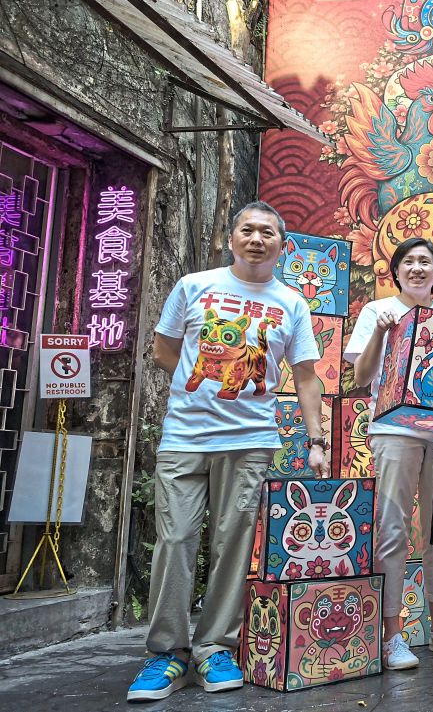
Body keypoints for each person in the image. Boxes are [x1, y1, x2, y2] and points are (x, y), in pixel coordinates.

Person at [127, 202, 326, 702]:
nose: (257, 239)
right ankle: (167, 653)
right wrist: (207, 382)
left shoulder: (291, 303)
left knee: (231, 546)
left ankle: (215, 646)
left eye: (267, 233)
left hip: (250, 441)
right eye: (248, 230)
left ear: (283, 245)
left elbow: (306, 377)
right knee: (175, 540)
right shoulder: (194, 286)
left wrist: (316, 440)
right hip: (185, 438)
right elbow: (163, 349)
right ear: (232, 238)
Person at [344, 237, 433, 670]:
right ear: (395, 271)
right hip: (393, 429)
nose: (417, 268)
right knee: (393, 528)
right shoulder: (376, 311)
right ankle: (392, 634)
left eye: (426, 262)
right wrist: (381, 332)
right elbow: (361, 377)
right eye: (409, 262)